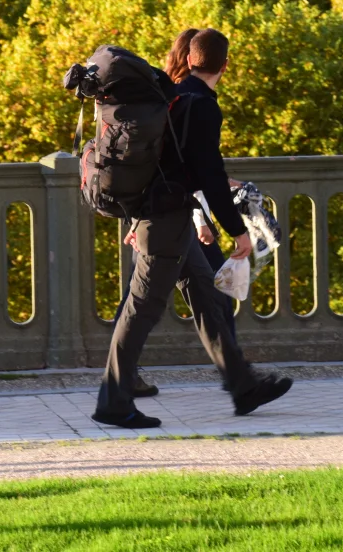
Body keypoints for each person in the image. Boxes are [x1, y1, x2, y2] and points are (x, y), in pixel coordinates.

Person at [93, 27, 292, 428]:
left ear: (190, 59)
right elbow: (210, 175)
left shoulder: (172, 94)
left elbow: (163, 166)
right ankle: (113, 402)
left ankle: (243, 386)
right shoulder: (201, 105)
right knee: (141, 309)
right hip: (165, 223)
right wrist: (237, 230)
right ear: (225, 64)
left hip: (170, 219)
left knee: (210, 298)